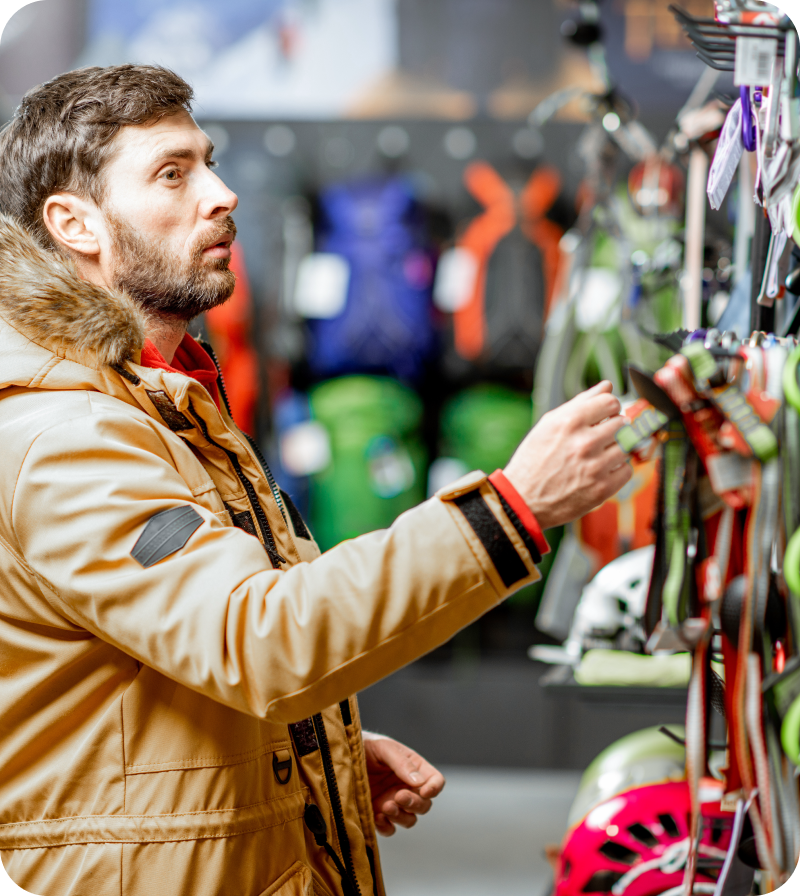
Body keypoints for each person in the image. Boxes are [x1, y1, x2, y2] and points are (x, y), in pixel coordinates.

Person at [0, 65, 632, 896]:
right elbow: (257, 639)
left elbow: (157, 664)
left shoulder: (165, 397)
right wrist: (510, 510)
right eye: (172, 173)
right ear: (75, 223)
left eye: (209, 162)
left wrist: (291, 764)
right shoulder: (66, 435)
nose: (222, 194)